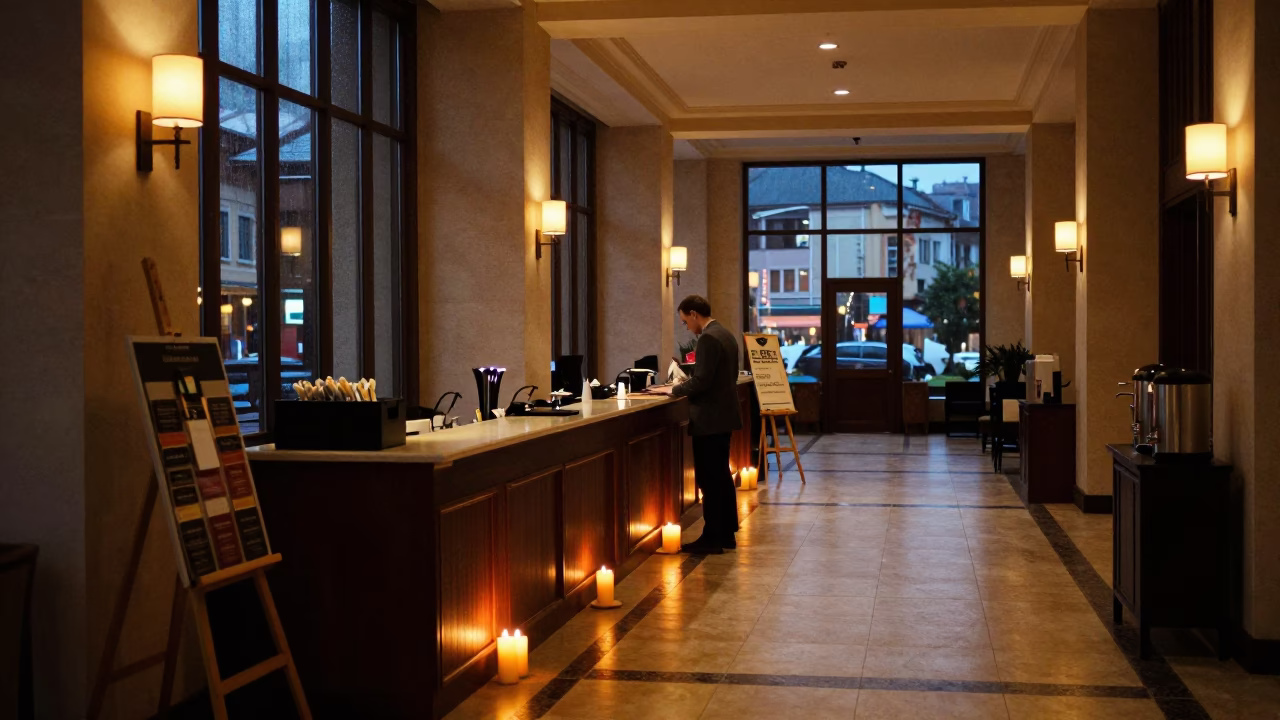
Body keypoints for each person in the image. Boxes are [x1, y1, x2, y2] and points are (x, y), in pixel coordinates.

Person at [670, 295, 742, 553]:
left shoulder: (709, 338)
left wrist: (675, 390)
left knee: (710, 479)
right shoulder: (726, 334)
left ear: (693, 313)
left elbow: (702, 381)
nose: (686, 327)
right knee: (721, 476)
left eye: (685, 321)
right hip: (723, 416)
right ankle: (726, 533)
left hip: (710, 418)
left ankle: (712, 537)